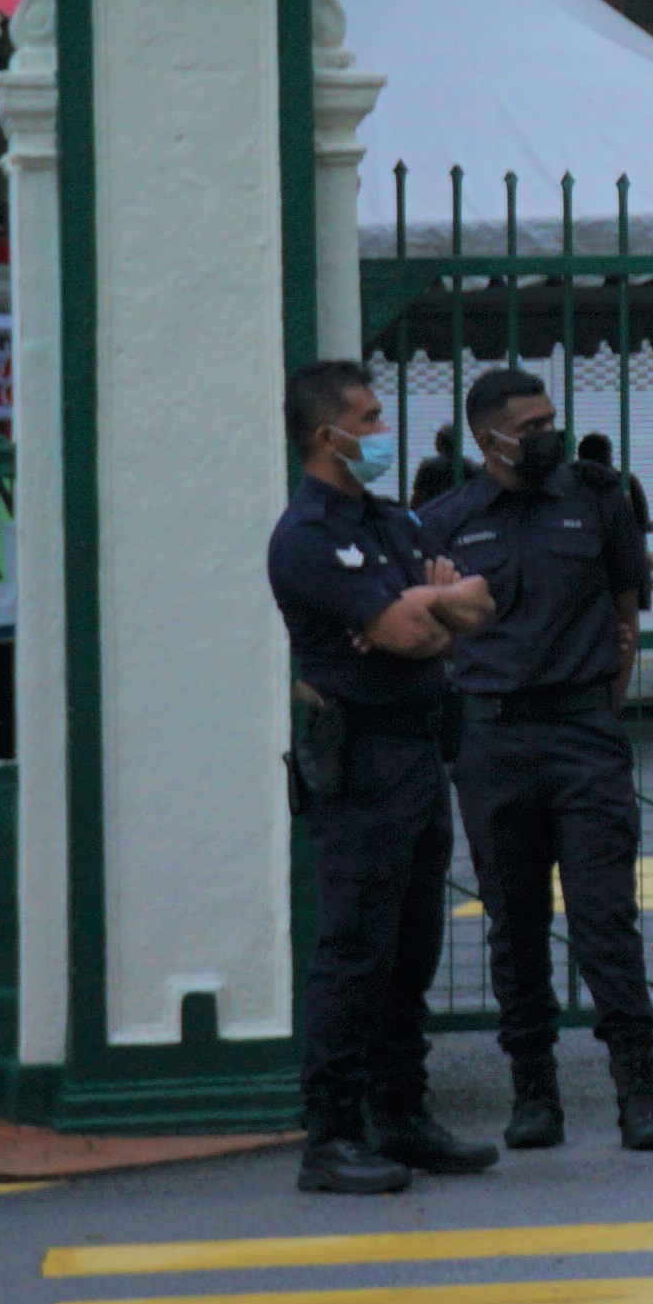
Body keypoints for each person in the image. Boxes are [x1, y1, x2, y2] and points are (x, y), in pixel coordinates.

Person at [421, 367, 653, 1153]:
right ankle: (534, 1092)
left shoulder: (597, 499)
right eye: (528, 427)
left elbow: (625, 613)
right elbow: (428, 637)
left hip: (582, 736)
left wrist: (602, 710)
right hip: (493, 743)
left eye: (550, 421)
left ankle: (639, 1090)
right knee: (515, 923)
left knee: (605, 918)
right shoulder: (445, 521)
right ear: (487, 437)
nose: (545, 437)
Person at [265, 360, 501, 1196]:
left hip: (418, 752)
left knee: (411, 949)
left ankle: (403, 1113)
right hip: (360, 761)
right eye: (366, 419)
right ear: (327, 436)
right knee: (355, 950)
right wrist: (422, 610)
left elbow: (478, 606)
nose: (380, 431)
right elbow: (406, 632)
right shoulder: (306, 536)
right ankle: (331, 1134)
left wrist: (423, 608)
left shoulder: (392, 523)